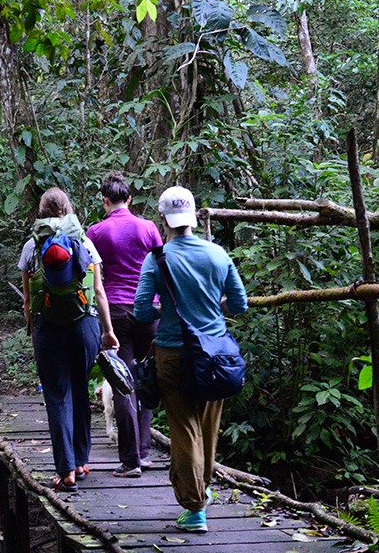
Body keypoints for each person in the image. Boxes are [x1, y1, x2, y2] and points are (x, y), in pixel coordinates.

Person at [134, 186, 248, 532]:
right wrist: (212, 307)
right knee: (208, 429)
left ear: (163, 218)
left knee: (185, 431)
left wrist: (166, 308)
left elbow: (141, 311)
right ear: (194, 217)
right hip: (215, 353)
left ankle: (195, 507)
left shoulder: (158, 258)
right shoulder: (217, 254)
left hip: (173, 354)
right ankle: (203, 491)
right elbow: (240, 305)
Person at [19, 187, 119, 491]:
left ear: (42, 212)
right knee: (79, 390)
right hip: (84, 326)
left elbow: (27, 300)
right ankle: (81, 461)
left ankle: (65, 471)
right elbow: (99, 291)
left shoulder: (31, 246)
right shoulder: (84, 241)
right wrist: (108, 330)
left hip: (49, 329)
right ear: (68, 209)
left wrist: (32, 326)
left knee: (57, 396)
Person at [87, 172, 162, 479]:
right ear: (130, 199)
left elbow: (89, 276)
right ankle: (143, 453)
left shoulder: (96, 232)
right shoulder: (148, 227)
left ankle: (129, 460)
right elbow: (162, 264)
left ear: (106, 201)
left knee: (121, 381)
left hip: (115, 311)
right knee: (144, 377)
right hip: (149, 309)